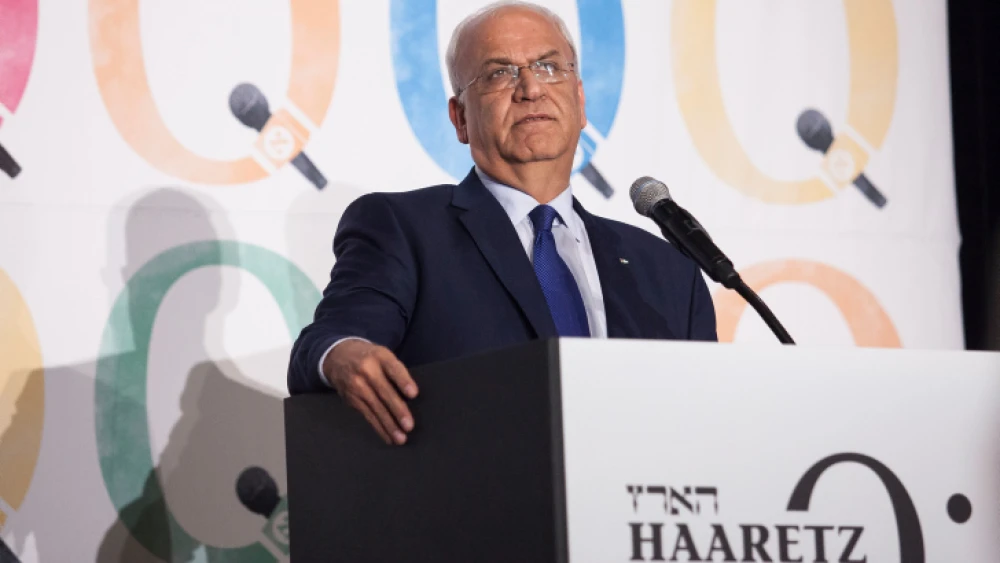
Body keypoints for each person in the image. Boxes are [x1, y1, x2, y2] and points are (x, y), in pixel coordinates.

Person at [287, 1, 716, 445]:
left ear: (581, 100)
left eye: (549, 67)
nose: (531, 88)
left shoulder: (668, 271)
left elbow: (708, 422)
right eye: (498, 73)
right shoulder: (405, 230)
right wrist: (339, 354)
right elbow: (331, 339)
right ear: (460, 118)